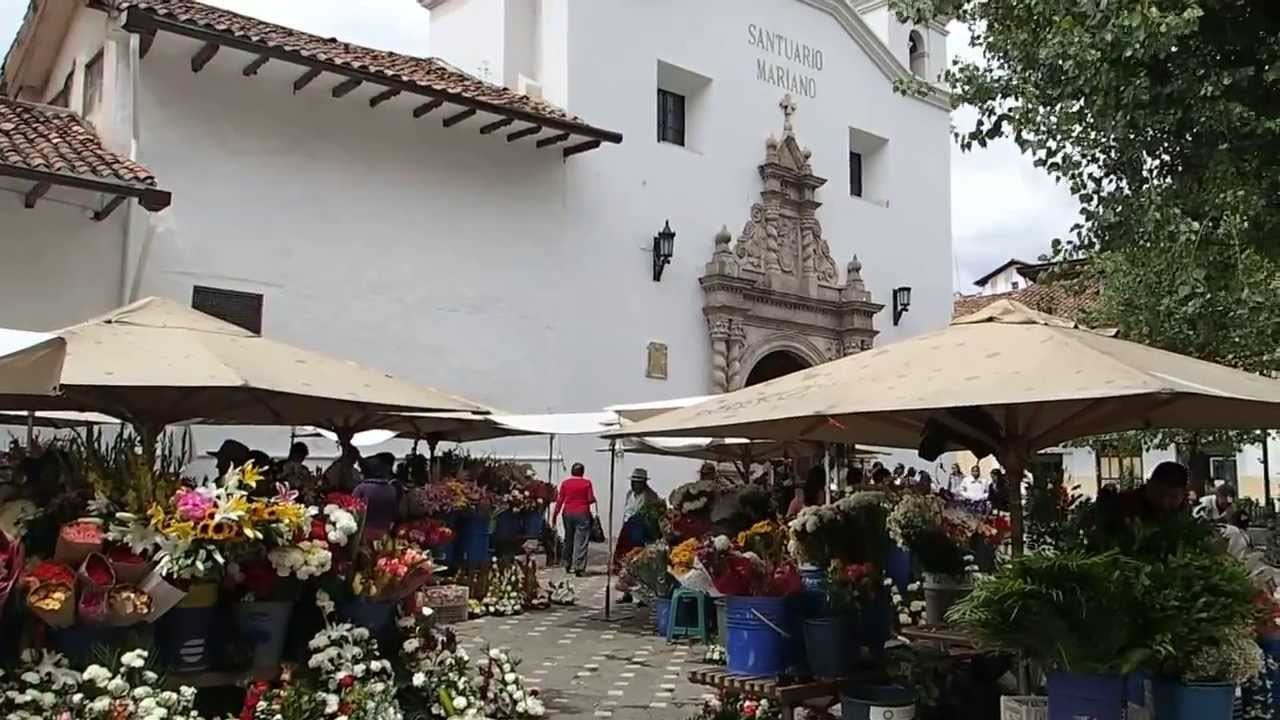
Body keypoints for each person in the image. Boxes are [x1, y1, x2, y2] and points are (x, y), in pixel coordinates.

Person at [617, 468, 662, 603]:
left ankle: (643, 596)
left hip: (642, 534)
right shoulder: (629, 494)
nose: (633, 485)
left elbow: (654, 518)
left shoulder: (651, 497)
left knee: (641, 566)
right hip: (627, 531)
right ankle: (627, 593)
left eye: (636, 482)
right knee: (625, 563)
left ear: (643, 483)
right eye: (632, 482)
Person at [552, 462, 597, 577]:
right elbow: (590, 499)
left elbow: (560, 500)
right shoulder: (587, 483)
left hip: (567, 513)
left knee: (568, 538)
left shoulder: (565, 484)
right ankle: (579, 566)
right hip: (582, 513)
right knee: (581, 541)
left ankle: (567, 562)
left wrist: (554, 515)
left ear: (572, 471)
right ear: (582, 472)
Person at [354, 452, 401, 540]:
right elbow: (395, 512)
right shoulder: (391, 489)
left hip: (364, 534)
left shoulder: (361, 488)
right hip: (385, 533)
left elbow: (353, 511)